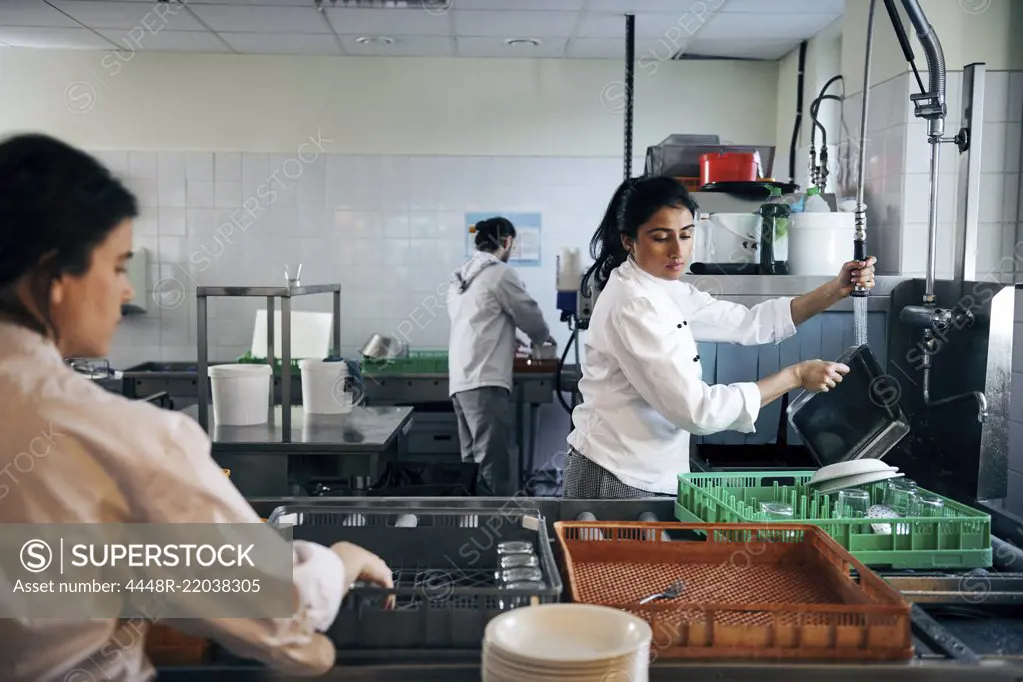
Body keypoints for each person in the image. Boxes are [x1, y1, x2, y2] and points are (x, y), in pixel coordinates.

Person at [0, 133, 395, 681]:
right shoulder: (111, 434)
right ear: (55, 278)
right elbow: (278, 611)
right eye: (116, 267)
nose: (124, 292)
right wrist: (343, 559)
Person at [564, 176, 877, 499]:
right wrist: (794, 376)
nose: (677, 251)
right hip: (616, 476)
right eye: (661, 238)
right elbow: (698, 411)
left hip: (646, 470)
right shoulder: (634, 305)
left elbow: (749, 323)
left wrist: (835, 290)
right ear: (629, 241)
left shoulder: (664, 287)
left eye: (686, 235)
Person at [447, 217, 553, 496]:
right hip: (485, 380)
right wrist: (542, 337)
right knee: (495, 463)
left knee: (471, 461)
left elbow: (475, 321)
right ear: (507, 242)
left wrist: (505, 335)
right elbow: (527, 311)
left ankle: (470, 522)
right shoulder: (499, 273)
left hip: (461, 380)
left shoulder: (461, 275)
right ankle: (499, 529)